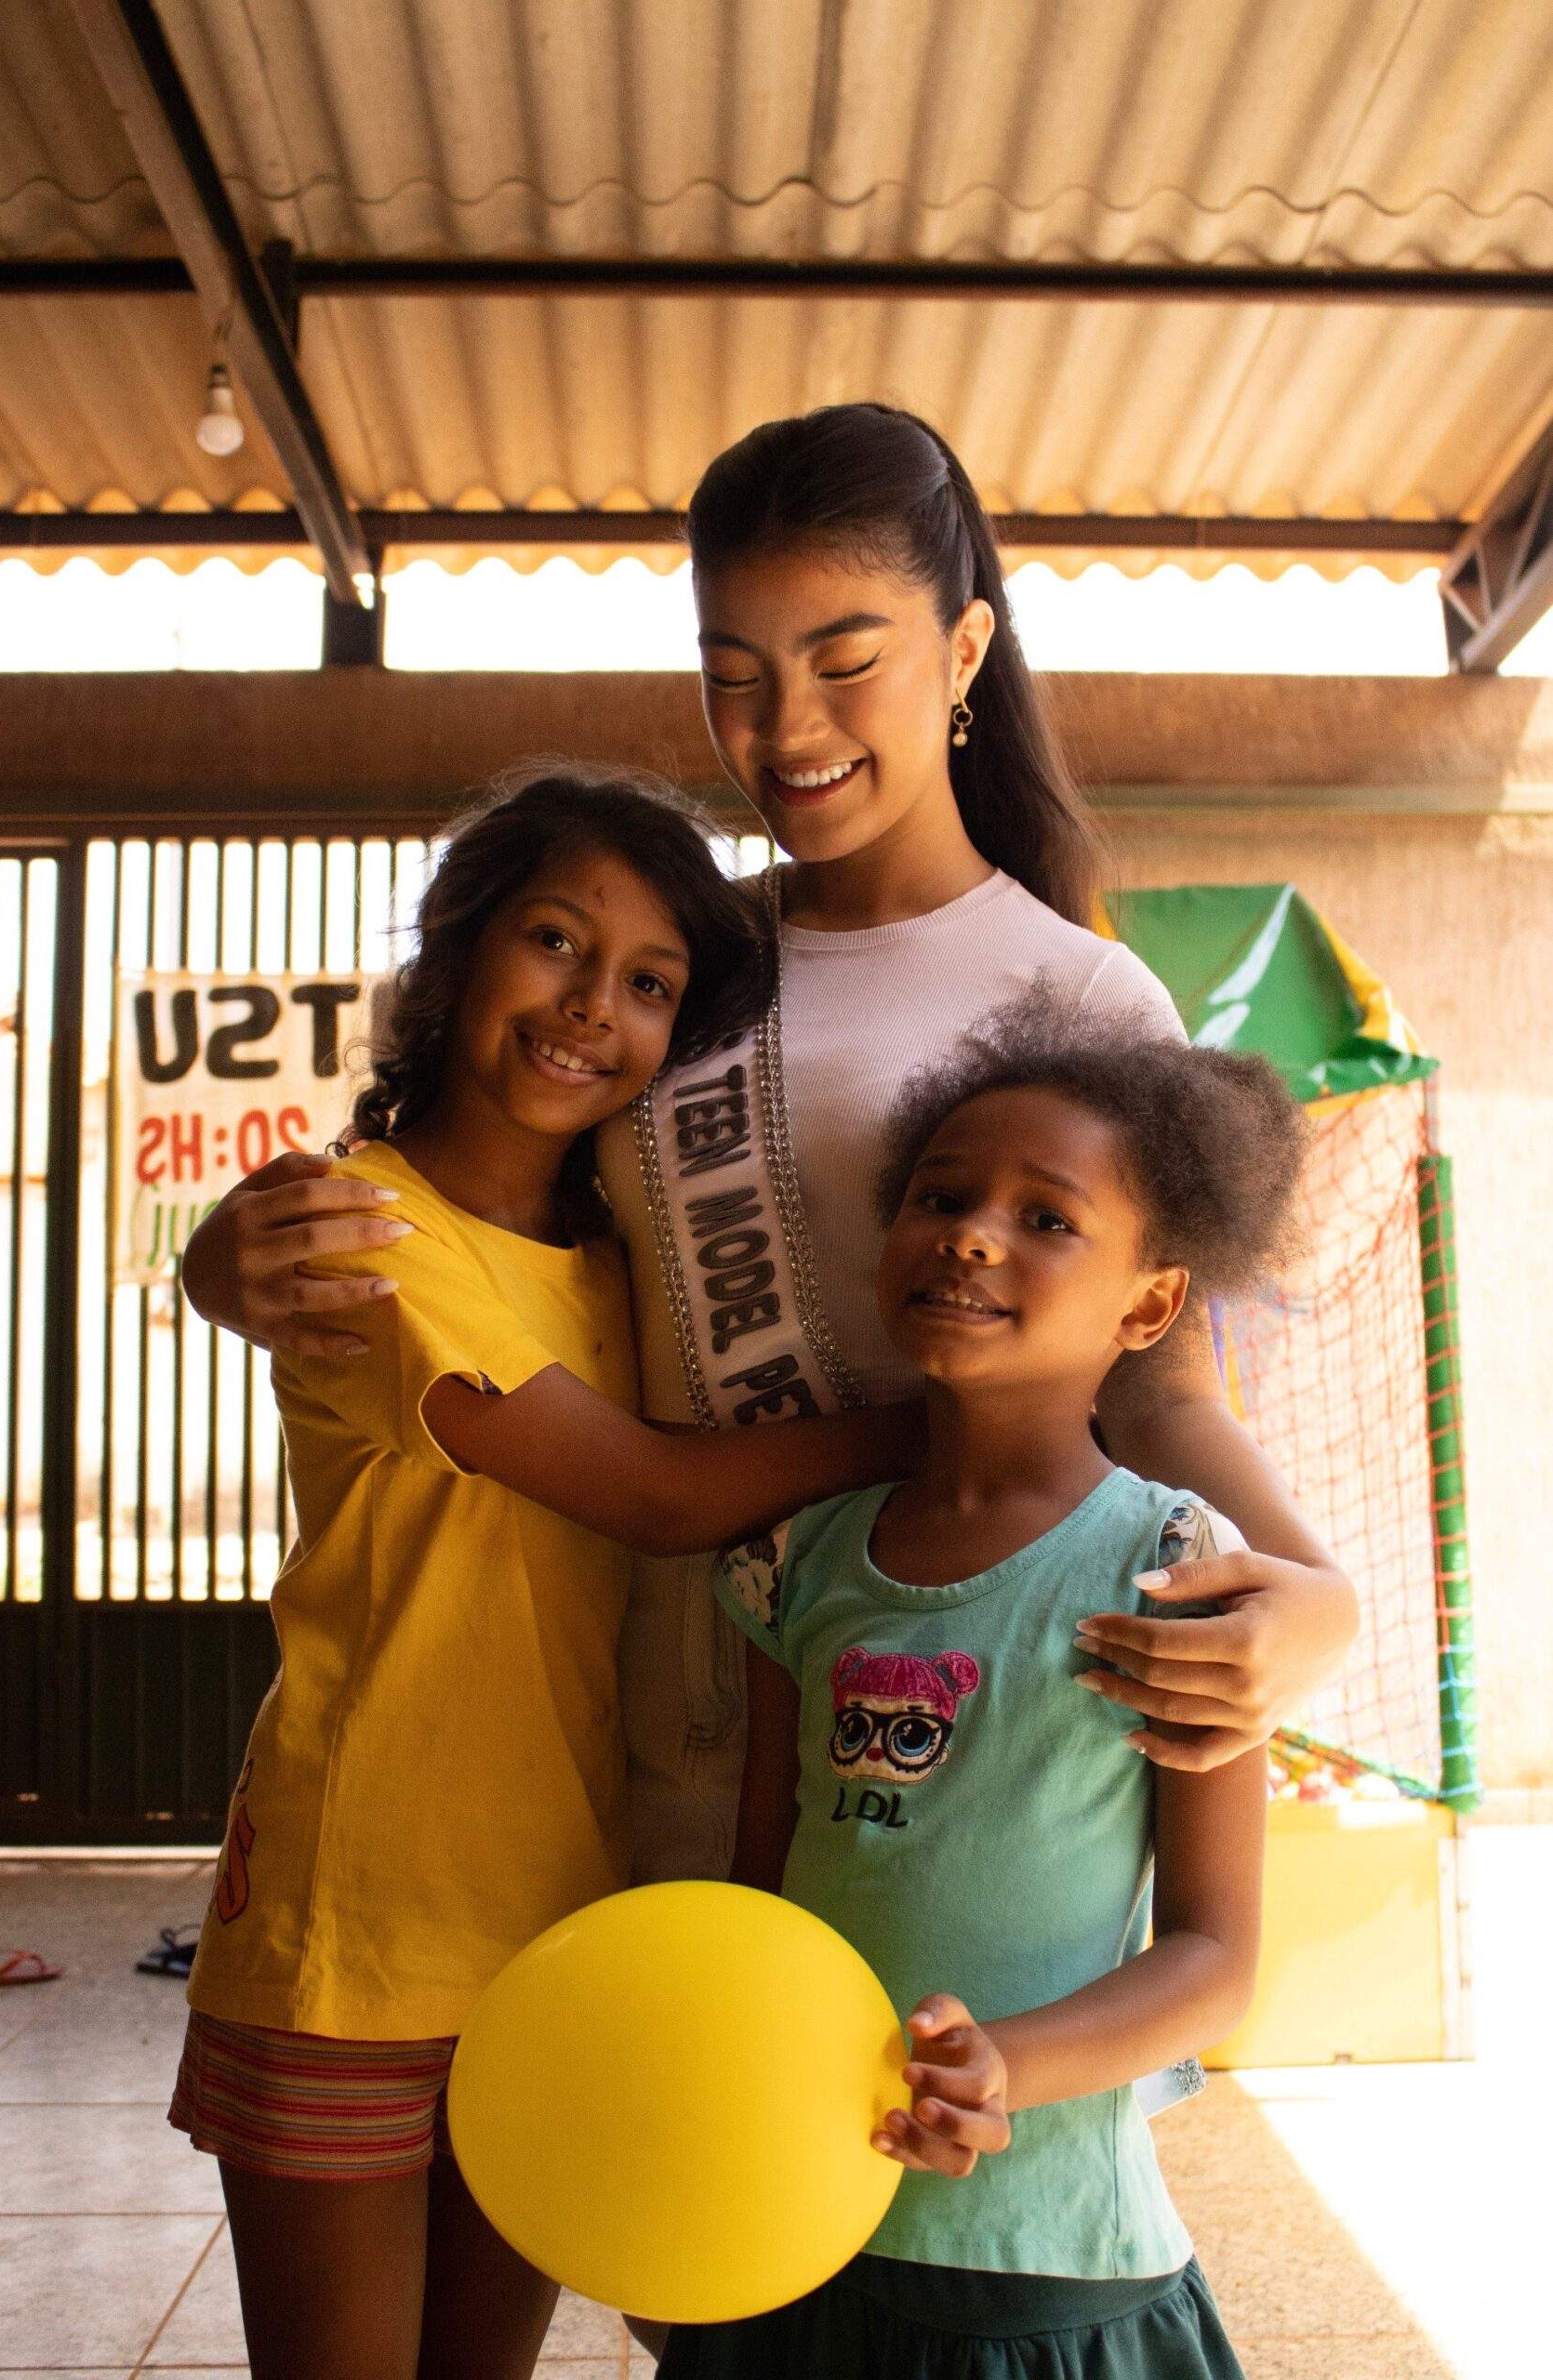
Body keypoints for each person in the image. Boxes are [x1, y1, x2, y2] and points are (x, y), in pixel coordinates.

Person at [182, 399, 1357, 1892]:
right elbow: (483, 1219)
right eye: (732, 677)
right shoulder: (675, 962)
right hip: (652, 1718)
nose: (785, 730)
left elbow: (1162, 1392)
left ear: (965, 656)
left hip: (948, 1739)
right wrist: (233, 1264)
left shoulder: (1079, 989)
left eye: (844, 663)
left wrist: (1323, 1600)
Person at [168, 769, 917, 2380]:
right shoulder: (362, 1229)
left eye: (648, 984)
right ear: (454, 951)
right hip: (351, 1925)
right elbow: (656, 1496)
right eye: (554, 942)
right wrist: (952, 1429)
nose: (593, 1007)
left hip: (549, 1928)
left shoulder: (616, 1256)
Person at [659, 996, 1304, 2378]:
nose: (971, 1232)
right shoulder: (803, 1561)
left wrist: (1010, 2062)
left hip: (1042, 2261)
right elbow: (764, 1888)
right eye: (942, 1196)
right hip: (803, 2229)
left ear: (1151, 1302)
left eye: (1046, 1219)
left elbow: (1214, 1961)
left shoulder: (1175, 1566)